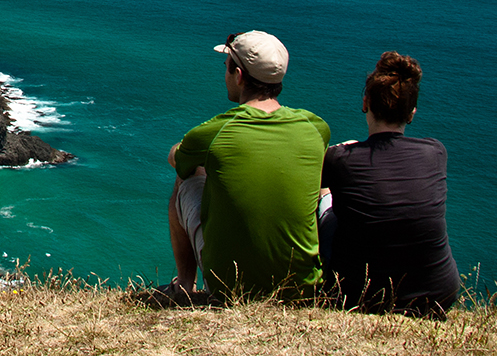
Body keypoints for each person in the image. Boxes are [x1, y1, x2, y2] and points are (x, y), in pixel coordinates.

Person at [161, 30, 330, 303]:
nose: (224, 74)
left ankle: (184, 286)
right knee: (322, 182)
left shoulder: (214, 132)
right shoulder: (316, 127)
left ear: (238, 76)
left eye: (226, 68)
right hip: (300, 287)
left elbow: (179, 161)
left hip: (229, 285)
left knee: (188, 177)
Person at [320, 52, 460, 317]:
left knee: (325, 197)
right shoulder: (435, 152)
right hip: (438, 294)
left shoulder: (340, 159)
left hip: (361, 295)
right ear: (412, 113)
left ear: (366, 102)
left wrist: (342, 152)